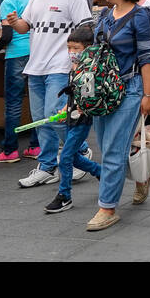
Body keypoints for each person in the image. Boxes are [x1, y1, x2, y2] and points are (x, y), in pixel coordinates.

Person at [8, 0, 94, 189]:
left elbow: (86, 30)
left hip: (61, 66)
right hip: (36, 67)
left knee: (54, 116)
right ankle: (47, 167)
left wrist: (78, 65)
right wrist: (16, 22)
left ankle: (81, 151)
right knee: (41, 120)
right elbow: (27, 26)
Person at [86, 0, 150, 231]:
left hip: (130, 89)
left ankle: (107, 208)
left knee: (114, 151)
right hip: (103, 92)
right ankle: (142, 176)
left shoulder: (142, 17)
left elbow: (148, 58)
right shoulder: (105, 14)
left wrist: (148, 95)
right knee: (107, 147)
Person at [42, 25, 105, 215]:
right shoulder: (75, 67)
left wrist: (80, 106)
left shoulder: (87, 68)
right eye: (69, 48)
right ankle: (100, 172)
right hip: (71, 117)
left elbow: (87, 95)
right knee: (74, 157)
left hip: (82, 120)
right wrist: (65, 108)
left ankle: (64, 196)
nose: (71, 52)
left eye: (75, 48)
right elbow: (74, 94)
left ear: (87, 47)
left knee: (66, 157)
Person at [0, 0, 37, 163]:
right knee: (37, 102)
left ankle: (10, 150)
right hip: (37, 52)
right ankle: (36, 146)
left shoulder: (8, 2)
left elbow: (6, 36)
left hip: (16, 54)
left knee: (13, 104)